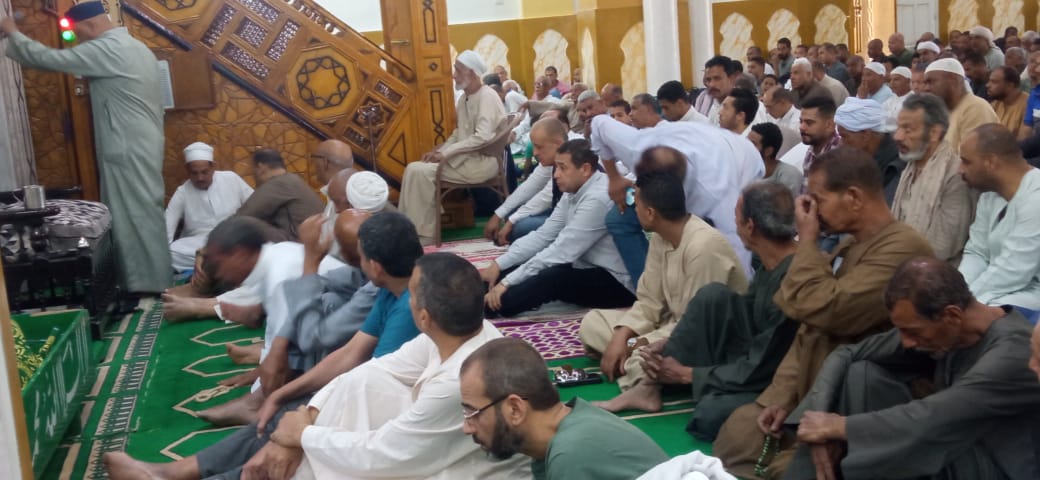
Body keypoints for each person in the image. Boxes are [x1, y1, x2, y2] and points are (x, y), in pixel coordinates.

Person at [105, 252, 531, 480]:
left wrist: (303, 435)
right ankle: (178, 473)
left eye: (415, 294)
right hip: (408, 444)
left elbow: (385, 455)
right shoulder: (457, 331)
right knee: (350, 391)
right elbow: (366, 371)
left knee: (310, 452)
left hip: (441, 468)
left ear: (424, 316)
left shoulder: (461, 378)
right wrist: (302, 420)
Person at [712, 146, 934, 478]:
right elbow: (807, 324)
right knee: (737, 434)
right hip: (812, 389)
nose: (812, 211)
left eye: (819, 200)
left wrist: (807, 241)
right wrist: (781, 398)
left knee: (783, 469)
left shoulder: (903, 249)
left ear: (854, 198)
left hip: (858, 401)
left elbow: (828, 309)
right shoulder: (849, 244)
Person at [783, 257, 1040, 480]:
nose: (906, 342)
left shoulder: (1015, 352)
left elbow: (936, 416)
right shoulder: (946, 328)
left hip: (990, 466)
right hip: (946, 445)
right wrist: (820, 423)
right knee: (862, 374)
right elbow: (846, 354)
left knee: (904, 431)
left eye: (912, 332)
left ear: (951, 315)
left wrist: (840, 427)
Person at [594, 182, 800, 440]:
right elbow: (740, 314)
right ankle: (648, 388)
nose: (734, 226)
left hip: (776, 377)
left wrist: (688, 375)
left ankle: (672, 380)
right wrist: (678, 338)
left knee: (709, 414)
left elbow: (763, 363)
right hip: (741, 353)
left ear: (750, 226)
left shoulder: (793, 278)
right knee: (711, 296)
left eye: (736, 218)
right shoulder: (771, 262)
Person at [1, 1, 170, 294]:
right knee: (142, 211)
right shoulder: (133, 46)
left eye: (77, 35)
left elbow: (47, 59)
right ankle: (152, 280)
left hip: (126, 147)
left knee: (133, 215)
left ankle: (145, 286)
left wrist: (12, 31)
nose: (77, 41)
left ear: (90, 26)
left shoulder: (108, 48)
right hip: (139, 143)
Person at [579, 169, 747, 392]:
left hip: (704, 340)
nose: (633, 208)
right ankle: (629, 361)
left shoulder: (703, 246)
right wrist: (622, 335)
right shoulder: (661, 236)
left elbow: (694, 327)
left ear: (650, 213)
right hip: (668, 325)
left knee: (642, 358)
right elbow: (649, 302)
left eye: (634, 202)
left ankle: (639, 377)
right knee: (592, 322)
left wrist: (633, 344)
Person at [460, 337, 668, 480]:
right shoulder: (566, 427)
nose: (466, 427)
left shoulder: (570, 455)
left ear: (515, 409)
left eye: (472, 413)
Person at [589, 115, 764, 278]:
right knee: (619, 219)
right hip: (702, 142)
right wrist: (614, 178)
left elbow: (738, 257)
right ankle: (648, 287)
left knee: (709, 247)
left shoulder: (716, 195)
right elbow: (598, 123)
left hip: (744, 162)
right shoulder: (636, 146)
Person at [482, 139, 634, 317]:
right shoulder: (574, 189)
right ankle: (476, 294)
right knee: (503, 272)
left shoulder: (597, 199)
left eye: (562, 168)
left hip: (615, 281)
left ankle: (487, 307)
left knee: (548, 279)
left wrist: (506, 283)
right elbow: (543, 235)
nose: (556, 175)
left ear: (585, 169)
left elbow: (561, 251)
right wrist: (498, 265)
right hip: (583, 265)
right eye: (556, 167)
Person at [399, 50, 506, 244]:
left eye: (458, 70)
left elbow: (482, 138)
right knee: (413, 168)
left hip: (481, 163)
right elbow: (458, 133)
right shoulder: (464, 98)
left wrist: (446, 154)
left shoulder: (487, 97)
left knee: (419, 172)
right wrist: (440, 152)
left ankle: (425, 235)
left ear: (471, 72)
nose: (454, 75)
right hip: (465, 159)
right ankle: (410, 230)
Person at [958, 124, 1040, 313]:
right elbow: (977, 252)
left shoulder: (1036, 198)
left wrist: (962, 303)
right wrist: (956, 292)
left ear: (991, 162)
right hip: (997, 291)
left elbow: (1013, 271)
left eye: (966, 162)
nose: (959, 170)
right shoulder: (989, 194)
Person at [891, 94, 976, 263]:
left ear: (934, 133)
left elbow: (943, 246)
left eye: (908, 129)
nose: (897, 136)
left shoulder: (955, 175)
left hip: (932, 269)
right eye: (898, 128)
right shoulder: (910, 166)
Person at [165, 142, 253, 271]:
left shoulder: (231, 179)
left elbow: (255, 203)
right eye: (194, 173)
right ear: (187, 171)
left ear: (213, 167)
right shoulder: (182, 192)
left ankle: (211, 263)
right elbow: (167, 226)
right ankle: (220, 263)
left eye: (204, 172)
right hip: (198, 243)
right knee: (171, 253)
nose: (200, 178)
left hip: (232, 238)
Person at [485, 118, 566, 245]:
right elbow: (529, 186)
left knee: (521, 227)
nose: (534, 153)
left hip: (569, 218)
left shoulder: (571, 161)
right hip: (558, 212)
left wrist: (511, 222)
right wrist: (498, 215)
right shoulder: (552, 160)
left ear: (558, 144)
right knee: (512, 213)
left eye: (539, 147)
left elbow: (545, 198)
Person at [236, 148, 325, 242]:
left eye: (252, 170)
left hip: (301, 245)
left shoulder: (278, 183)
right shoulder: (292, 180)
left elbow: (241, 218)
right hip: (318, 242)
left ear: (260, 167)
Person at [834, 97, 903, 204]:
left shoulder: (894, 167)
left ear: (866, 135)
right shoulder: (862, 160)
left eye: (844, 136)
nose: (840, 143)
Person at [923, 58, 999, 152]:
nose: (926, 88)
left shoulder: (975, 108)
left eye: (930, 82)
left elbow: (973, 157)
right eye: (925, 83)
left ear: (953, 80)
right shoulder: (943, 112)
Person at [750, 123, 803, 193]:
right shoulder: (745, 170)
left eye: (752, 144)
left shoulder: (789, 175)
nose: (746, 146)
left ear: (768, 151)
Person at [988, 66, 1028, 134]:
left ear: (1010, 85)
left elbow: (1024, 138)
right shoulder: (995, 104)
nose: (988, 85)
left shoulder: (1027, 105)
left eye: (994, 82)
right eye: (989, 81)